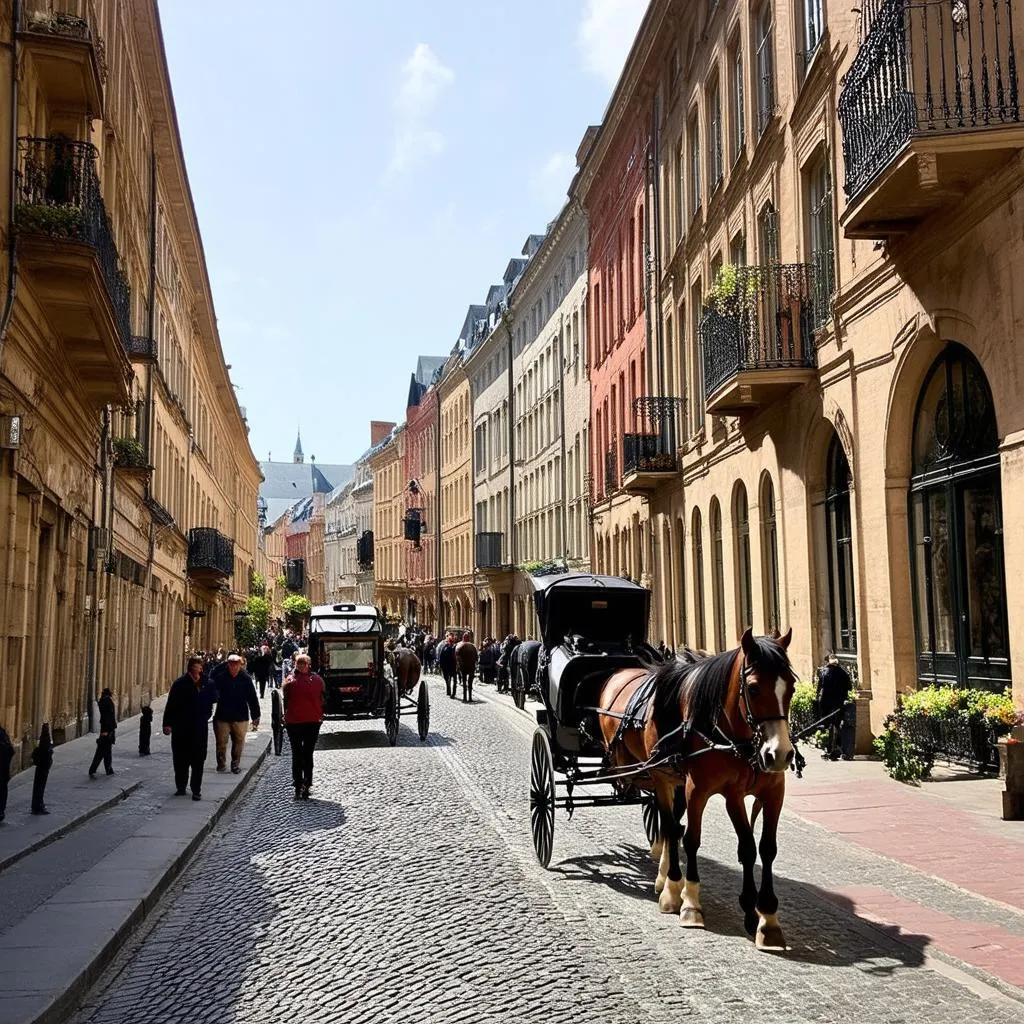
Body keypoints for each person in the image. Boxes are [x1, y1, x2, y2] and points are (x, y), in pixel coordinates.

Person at [163, 656, 218, 800]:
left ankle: (196, 789)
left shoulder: (207, 683)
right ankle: (181, 786)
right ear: (190, 668)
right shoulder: (179, 684)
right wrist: (167, 723)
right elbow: (171, 705)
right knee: (180, 758)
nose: (198, 669)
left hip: (199, 728)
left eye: (199, 667)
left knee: (198, 760)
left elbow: (214, 699)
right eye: (195, 667)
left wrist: (207, 714)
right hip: (181, 727)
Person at [282, 653, 324, 800]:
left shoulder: (316, 680)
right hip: (295, 722)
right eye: (299, 664)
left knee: (307, 753)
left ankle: (306, 781)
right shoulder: (291, 681)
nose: (302, 666)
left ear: (308, 665)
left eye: (304, 664)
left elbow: (323, 698)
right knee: (297, 753)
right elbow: (286, 700)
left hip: (311, 722)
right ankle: (298, 781)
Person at [213, 654, 261, 774]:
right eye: (231, 664)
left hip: (241, 717)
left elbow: (252, 698)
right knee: (221, 743)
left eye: (236, 665)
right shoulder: (221, 678)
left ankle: (235, 764)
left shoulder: (246, 678)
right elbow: (213, 691)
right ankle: (221, 764)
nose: (234, 667)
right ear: (228, 665)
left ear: (240, 665)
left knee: (239, 742)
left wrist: (256, 715)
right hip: (222, 716)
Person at [815, 653, 853, 761]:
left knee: (828, 726)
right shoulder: (843, 673)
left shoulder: (824, 672)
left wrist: (818, 698)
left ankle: (829, 749)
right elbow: (849, 687)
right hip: (838, 703)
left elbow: (819, 689)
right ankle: (836, 748)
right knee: (837, 725)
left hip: (826, 704)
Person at [88, 687, 117, 777]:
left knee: (105, 751)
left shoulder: (102, 702)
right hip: (107, 730)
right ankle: (94, 769)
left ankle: (108, 769)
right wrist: (106, 731)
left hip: (106, 729)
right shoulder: (107, 702)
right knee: (102, 752)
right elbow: (108, 717)